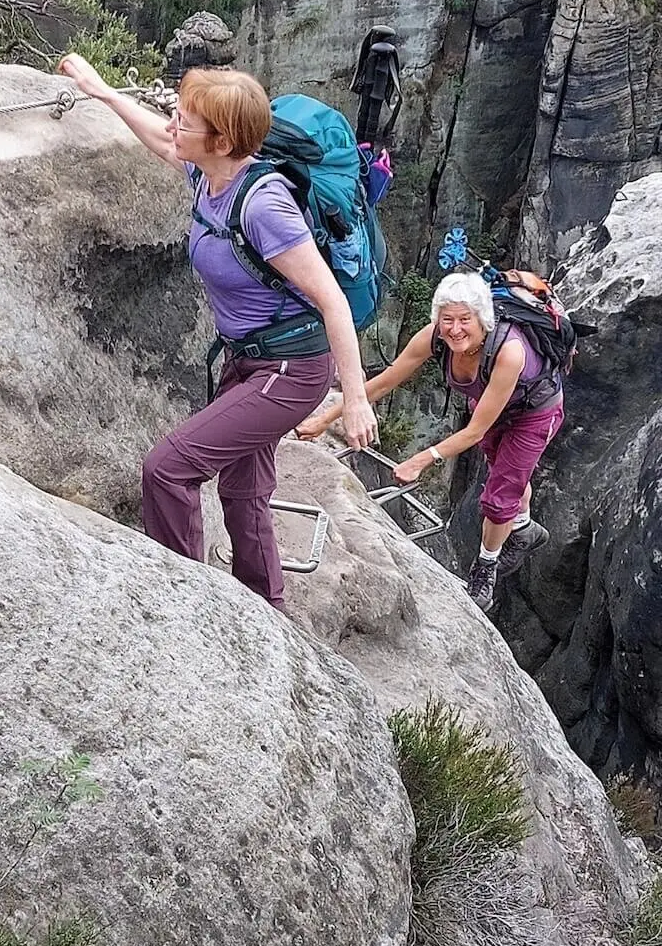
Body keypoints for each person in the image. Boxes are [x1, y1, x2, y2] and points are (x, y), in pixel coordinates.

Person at [58, 54, 377, 610]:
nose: (174, 124)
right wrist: (102, 91)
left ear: (224, 139)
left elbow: (331, 301)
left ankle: (189, 602)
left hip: (289, 370)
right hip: (245, 361)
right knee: (243, 490)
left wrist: (354, 398)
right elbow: (159, 138)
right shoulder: (210, 174)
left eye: (186, 119)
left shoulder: (264, 205)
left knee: (167, 469)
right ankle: (265, 606)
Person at [296, 271, 564, 613]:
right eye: (447, 319)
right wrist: (323, 420)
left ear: (483, 319)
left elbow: (475, 431)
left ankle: (485, 573)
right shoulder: (435, 338)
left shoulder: (509, 352)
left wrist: (421, 459)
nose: (454, 329)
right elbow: (383, 382)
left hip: (533, 412)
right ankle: (524, 530)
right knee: (506, 470)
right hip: (491, 401)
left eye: (465, 320)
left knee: (499, 498)